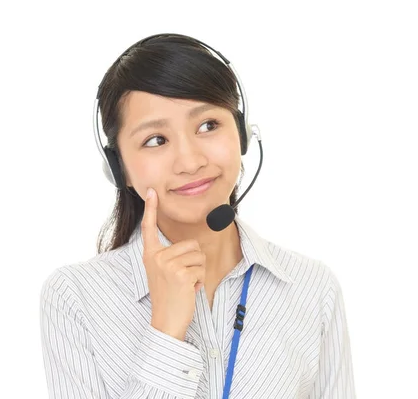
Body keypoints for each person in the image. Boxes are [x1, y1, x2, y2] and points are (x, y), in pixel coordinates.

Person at [39, 33, 356, 399]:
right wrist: (166, 331)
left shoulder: (313, 288)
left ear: (240, 134)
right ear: (118, 167)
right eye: (156, 140)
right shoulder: (75, 298)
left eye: (208, 125)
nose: (190, 161)